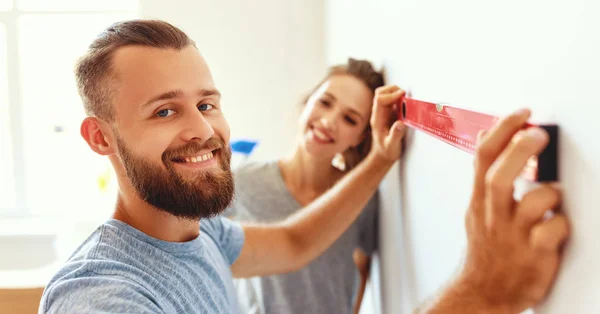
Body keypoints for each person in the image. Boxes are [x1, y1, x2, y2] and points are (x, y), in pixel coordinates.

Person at [38, 19, 569, 314]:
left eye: (206, 103)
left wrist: (381, 159)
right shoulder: (102, 295)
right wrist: (484, 292)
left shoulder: (199, 236)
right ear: (100, 137)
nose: (202, 130)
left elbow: (294, 243)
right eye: (164, 110)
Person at [225, 58, 384, 314]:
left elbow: (363, 265)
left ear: (360, 137)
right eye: (325, 102)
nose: (329, 121)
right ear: (307, 101)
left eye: (350, 119)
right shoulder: (242, 182)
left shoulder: (360, 198)